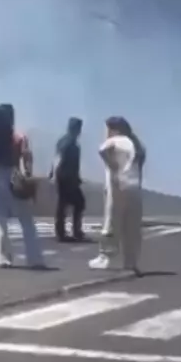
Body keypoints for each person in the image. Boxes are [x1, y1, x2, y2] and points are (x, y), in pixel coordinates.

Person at [0, 103, 47, 269]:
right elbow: (27, 157)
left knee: (0, 221)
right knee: (26, 221)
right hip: (13, 180)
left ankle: (2, 258)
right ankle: (35, 259)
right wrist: (28, 175)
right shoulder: (18, 137)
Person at [90, 116, 145, 272]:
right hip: (134, 189)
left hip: (117, 188)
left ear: (113, 129)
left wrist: (112, 165)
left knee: (112, 223)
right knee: (132, 227)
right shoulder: (136, 144)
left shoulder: (116, 139)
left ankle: (105, 257)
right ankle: (131, 261)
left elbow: (102, 150)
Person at [51, 117, 86, 242]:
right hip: (66, 178)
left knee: (66, 204)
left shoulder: (65, 141)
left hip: (68, 178)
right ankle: (71, 231)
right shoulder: (69, 143)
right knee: (76, 203)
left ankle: (65, 231)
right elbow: (59, 158)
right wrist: (55, 174)